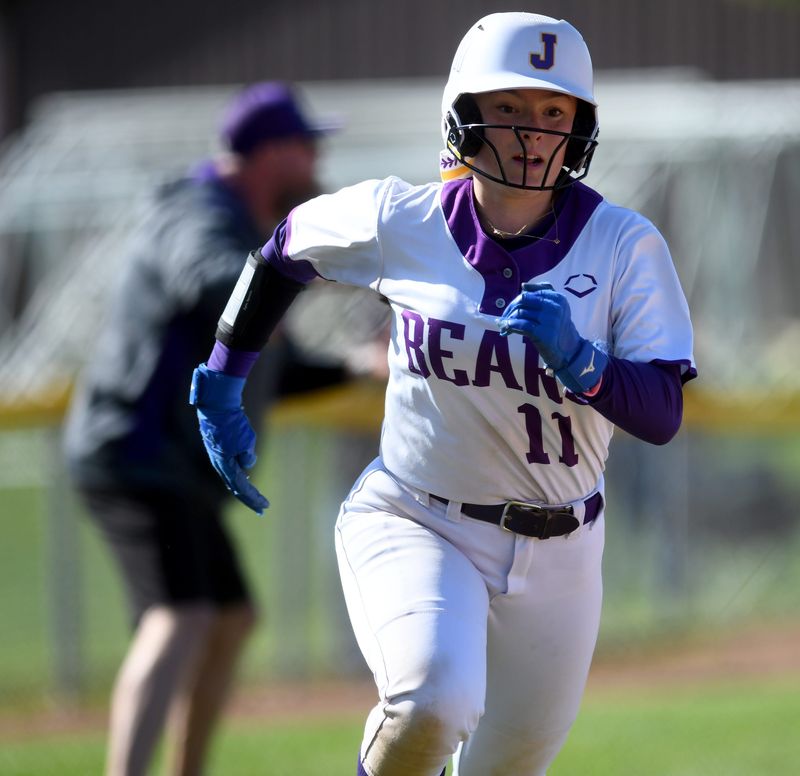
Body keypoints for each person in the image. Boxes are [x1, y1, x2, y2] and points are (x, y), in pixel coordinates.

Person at [189, 12, 697, 776]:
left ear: (581, 127)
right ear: (464, 115)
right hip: (418, 515)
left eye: (554, 113)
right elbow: (287, 248)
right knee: (432, 704)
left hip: (562, 547)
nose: (533, 133)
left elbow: (661, 413)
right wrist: (225, 376)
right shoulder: (405, 218)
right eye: (512, 108)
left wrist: (585, 363)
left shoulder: (624, 245)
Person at [63, 81, 342, 776]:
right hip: (136, 450)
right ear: (272, 153)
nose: (315, 163)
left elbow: (265, 353)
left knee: (228, 617)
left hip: (169, 462)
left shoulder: (239, 229)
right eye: (307, 147)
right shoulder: (197, 212)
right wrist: (296, 273)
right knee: (181, 614)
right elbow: (209, 282)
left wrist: (357, 371)